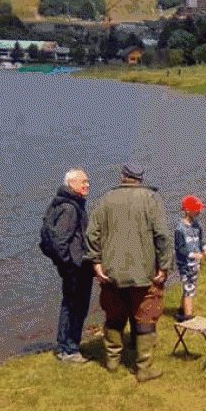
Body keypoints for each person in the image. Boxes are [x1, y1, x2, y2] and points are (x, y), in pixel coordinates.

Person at [85, 164, 173, 383]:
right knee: (146, 317)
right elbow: (162, 236)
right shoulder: (151, 199)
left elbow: (91, 234)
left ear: (123, 177)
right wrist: (165, 266)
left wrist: (96, 263)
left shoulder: (106, 199)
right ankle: (143, 367)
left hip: (110, 273)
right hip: (145, 273)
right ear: (141, 179)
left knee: (114, 316)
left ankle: (113, 361)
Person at [42, 168, 94, 365]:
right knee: (75, 308)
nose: (87, 185)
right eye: (83, 182)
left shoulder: (65, 203)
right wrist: (70, 264)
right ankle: (69, 350)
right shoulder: (70, 209)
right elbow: (60, 242)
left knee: (70, 306)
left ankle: (67, 346)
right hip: (75, 268)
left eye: (88, 182)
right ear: (71, 184)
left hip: (74, 266)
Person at [174, 195, 206, 322]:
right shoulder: (180, 229)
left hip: (195, 263)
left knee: (190, 287)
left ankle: (181, 311)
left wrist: (205, 248)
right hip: (185, 264)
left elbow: (200, 241)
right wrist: (193, 255)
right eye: (196, 210)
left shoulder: (197, 226)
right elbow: (180, 249)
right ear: (187, 211)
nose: (199, 213)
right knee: (189, 289)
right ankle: (188, 317)